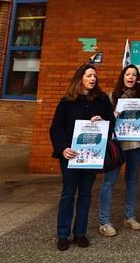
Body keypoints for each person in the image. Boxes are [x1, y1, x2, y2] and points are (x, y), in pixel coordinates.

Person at [48, 62, 113, 250]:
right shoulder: (67, 101)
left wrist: (103, 121)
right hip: (70, 156)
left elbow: (112, 123)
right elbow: (56, 128)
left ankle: (80, 233)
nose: (93, 79)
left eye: (94, 76)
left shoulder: (101, 100)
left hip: (91, 156)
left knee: (85, 194)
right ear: (80, 78)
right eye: (89, 76)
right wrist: (63, 148)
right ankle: (63, 234)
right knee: (68, 194)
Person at [98, 64, 140, 236]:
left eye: (134, 75)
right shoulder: (112, 96)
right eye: (128, 74)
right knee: (109, 182)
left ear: (138, 78)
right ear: (122, 77)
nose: (131, 77)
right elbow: (103, 120)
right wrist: (113, 115)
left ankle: (129, 216)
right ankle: (104, 221)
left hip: (137, 145)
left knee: (132, 180)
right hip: (117, 145)